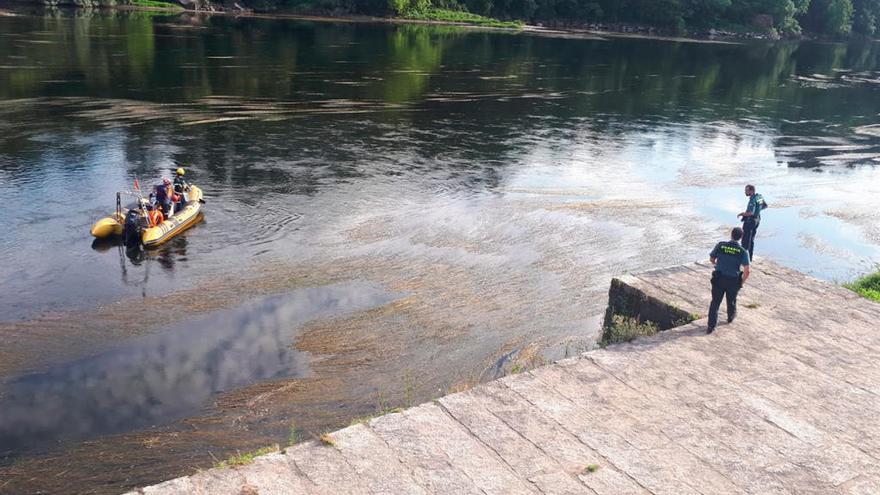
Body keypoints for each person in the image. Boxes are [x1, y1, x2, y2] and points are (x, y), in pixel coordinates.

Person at [707, 227, 751, 334]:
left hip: (719, 278)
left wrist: (717, 265)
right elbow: (747, 271)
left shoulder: (721, 246)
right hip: (733, 280)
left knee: (715, 302)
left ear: (731, 235)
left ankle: (711, 326)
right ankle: (730, 317)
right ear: (741, 237)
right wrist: (741, 282)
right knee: (731, 300)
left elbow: (712, 259)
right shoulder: (743, 252)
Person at [737, 184, 767, 260]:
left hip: (750, 221)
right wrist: (758, 210)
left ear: (752, 191)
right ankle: (749, 257)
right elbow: (765, 206)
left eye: (746, 191)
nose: (745, 192)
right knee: (751, 239)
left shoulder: (753, 199)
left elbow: (750, 213)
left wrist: (742, 214)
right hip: (757, 220)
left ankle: (743, 259)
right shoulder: (759, 197)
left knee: (745, 240)